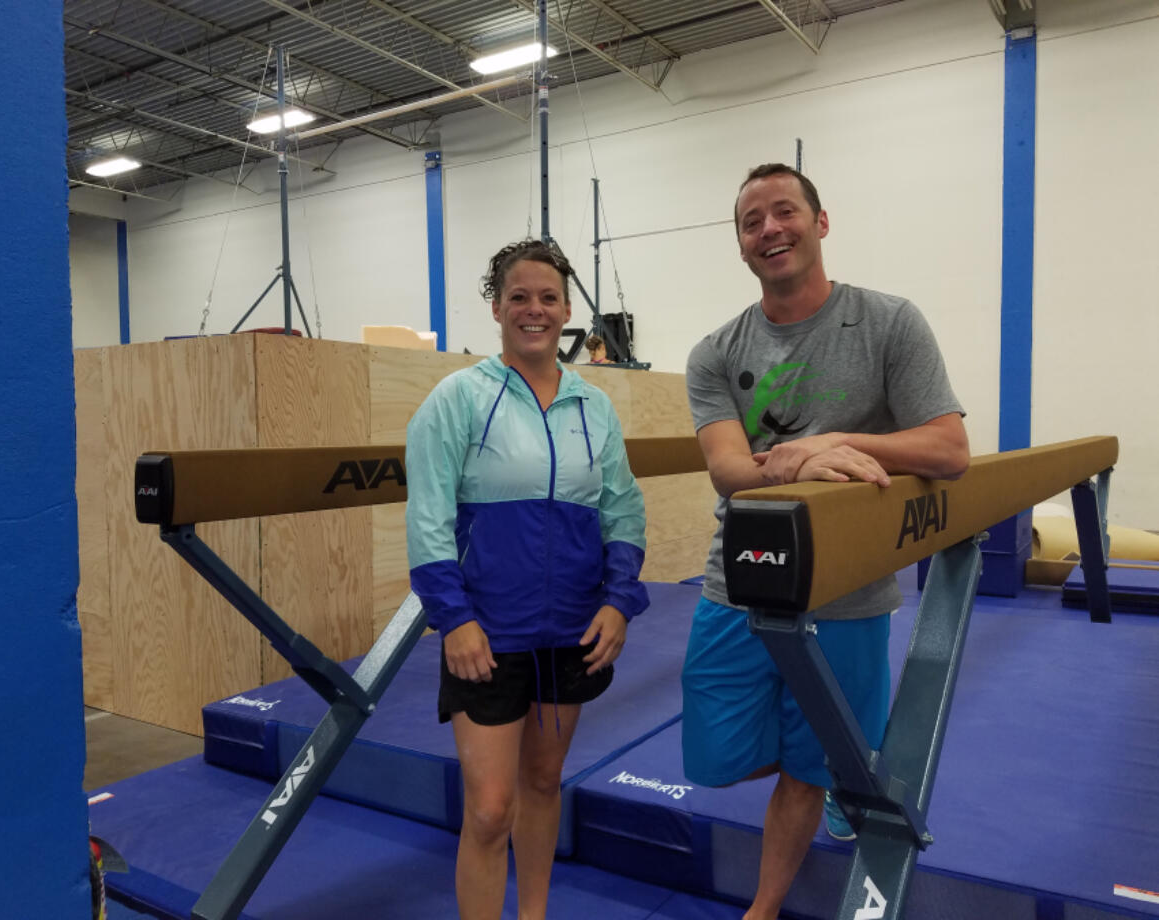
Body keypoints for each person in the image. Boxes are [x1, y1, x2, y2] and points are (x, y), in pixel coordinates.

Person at [683, 163, 969, 920]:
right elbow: (728, 473)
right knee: (716, 757)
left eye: (785, 212)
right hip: (738, 579)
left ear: (821, 221)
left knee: (811, 768)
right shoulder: (715, 351)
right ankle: (844, 767)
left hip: (849, 588)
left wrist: (834, 438)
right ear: (741, 245)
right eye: (753, 221)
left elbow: (950, 450)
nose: (770, 229)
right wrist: (803, 457)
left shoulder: (888, 321)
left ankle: (765, 905)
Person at [405, 239, 650, 920]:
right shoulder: (455, 400)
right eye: (520, 297)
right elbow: (427, 519)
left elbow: (623, 508)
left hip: (571, 627)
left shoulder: (592, 407)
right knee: (488, 810)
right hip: (488, 633)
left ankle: (534, 914)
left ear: (568, 309)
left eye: (548, 298)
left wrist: (619, 603)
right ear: (496, 307)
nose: (534, 310)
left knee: (543, 781)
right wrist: (452, 617)